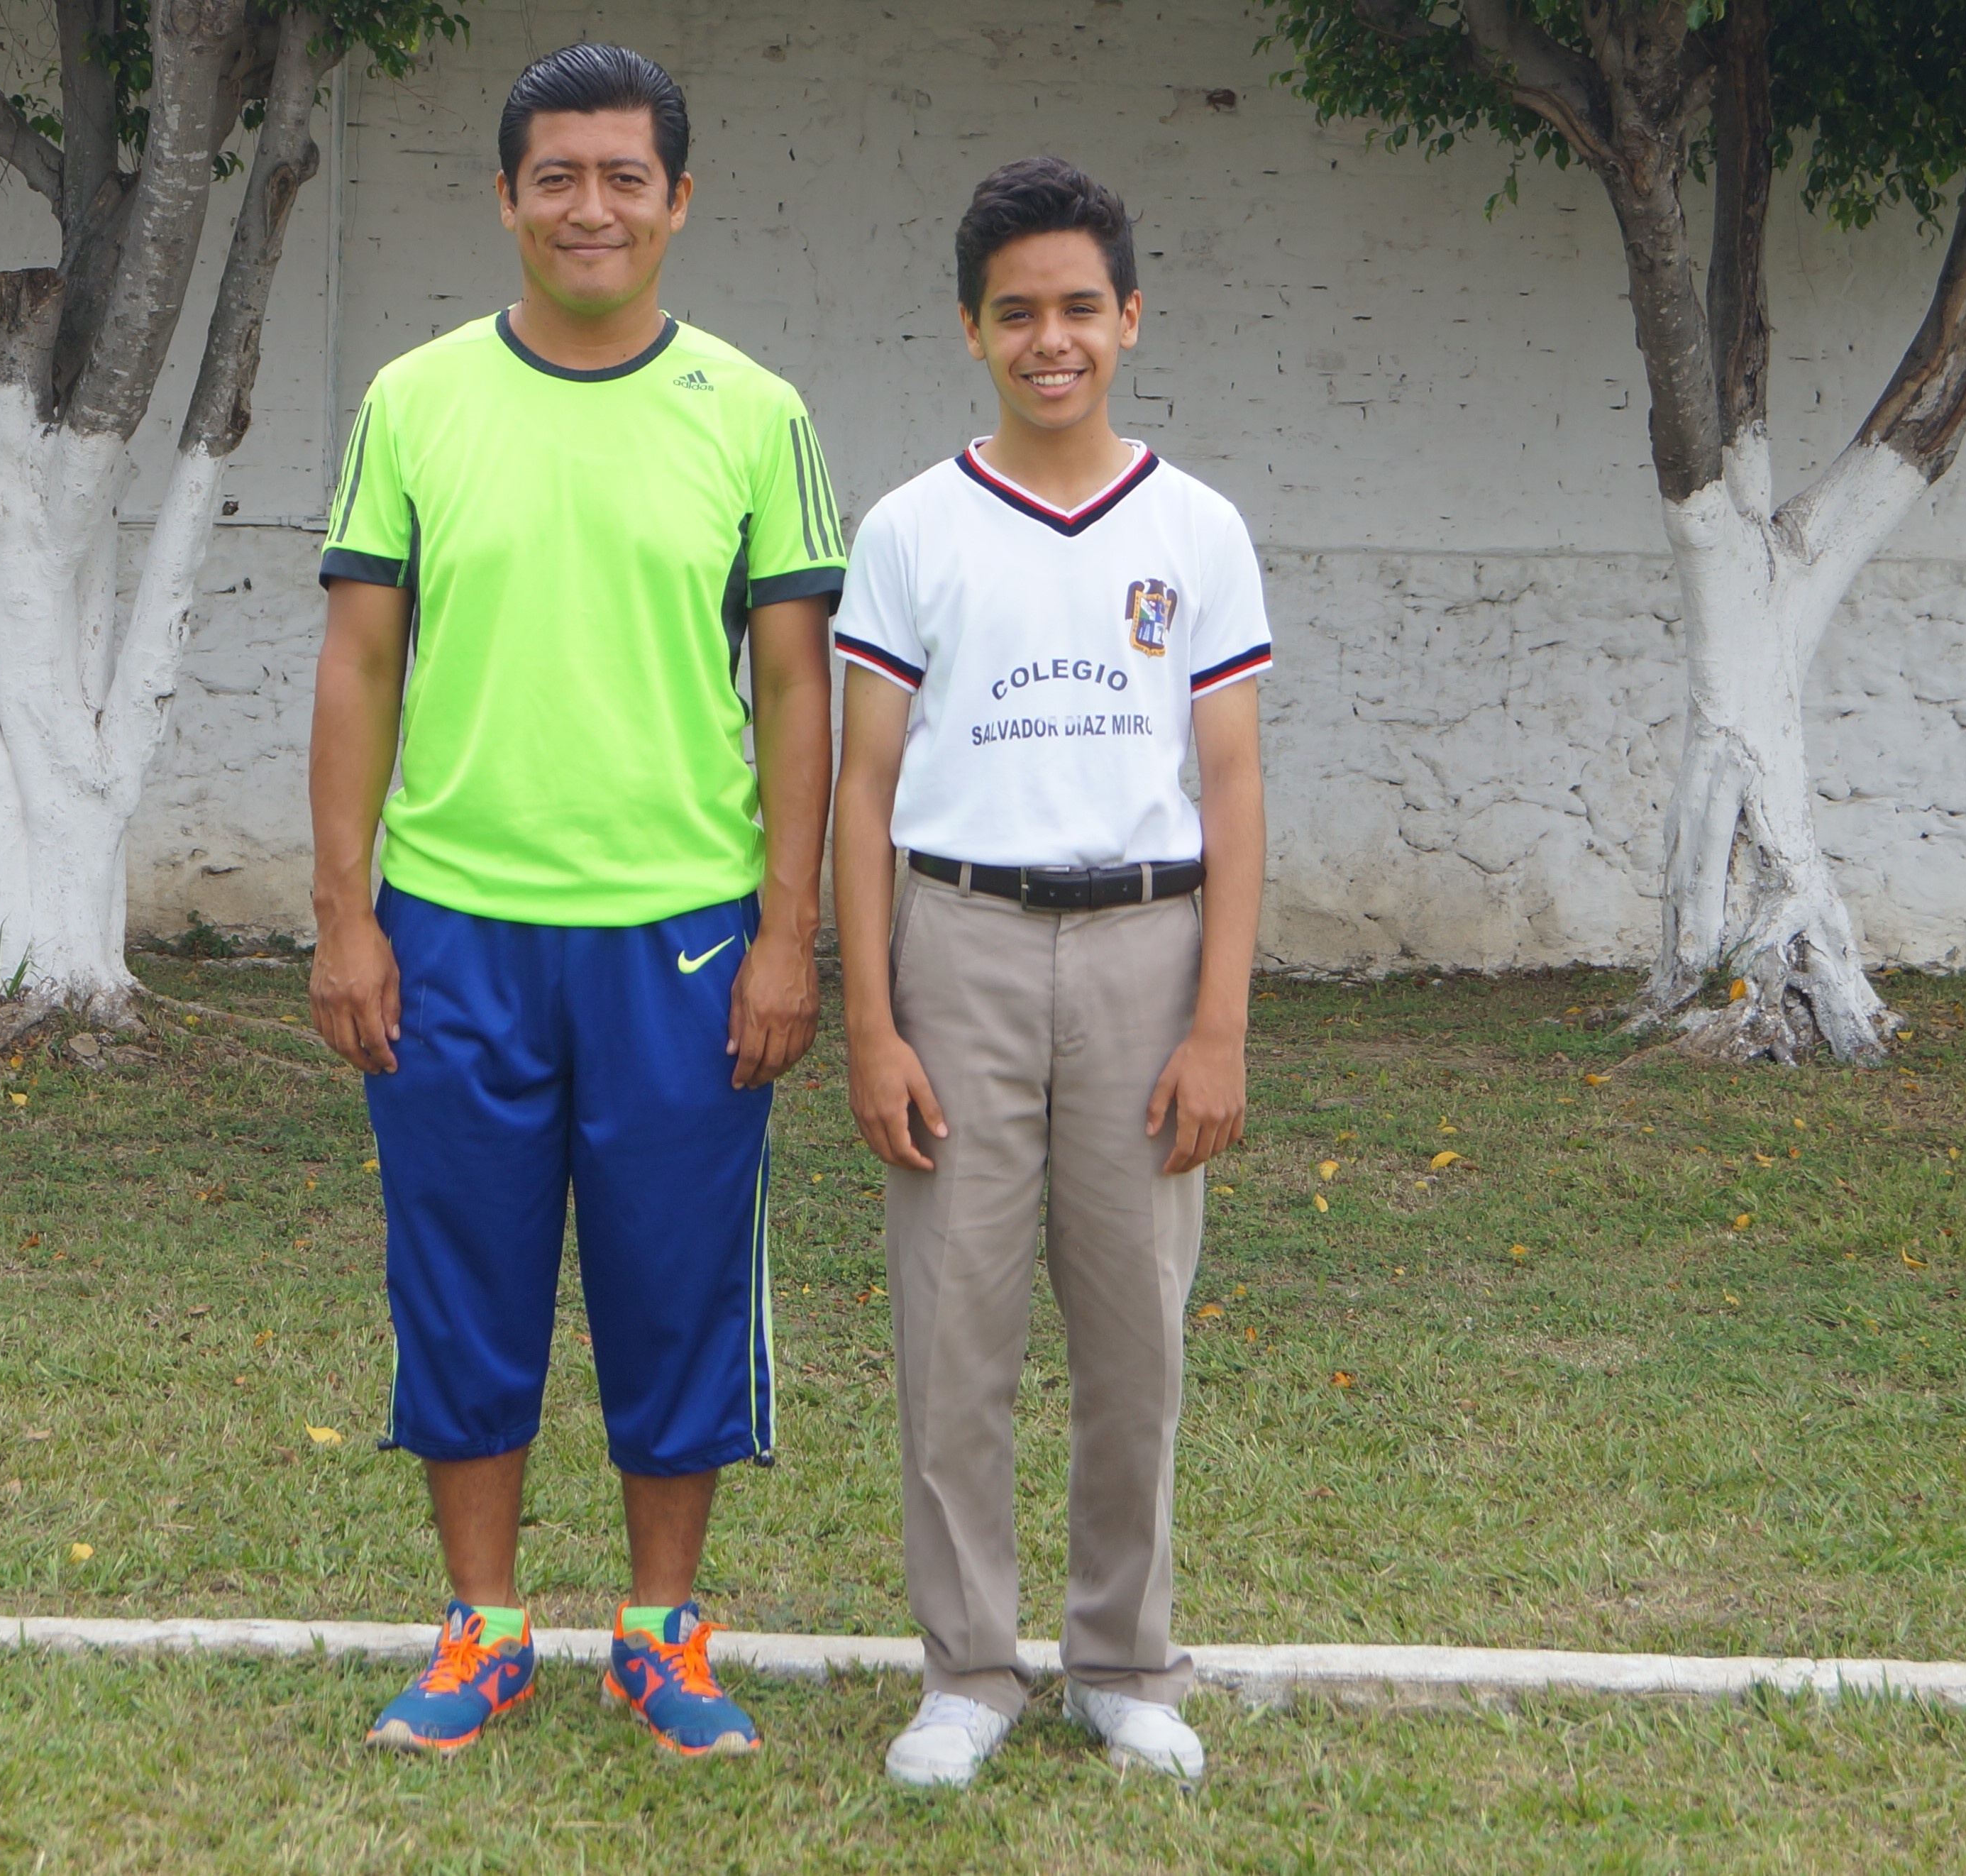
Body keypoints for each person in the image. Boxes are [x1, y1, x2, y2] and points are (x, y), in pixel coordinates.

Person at [304, 42, 844, 1760]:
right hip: (454, 921)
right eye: (557, 175)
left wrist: (783, 929)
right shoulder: (413, 399)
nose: (590, 205)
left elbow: (796, 694)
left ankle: (660, 1633)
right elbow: (358, 661)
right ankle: (479, 1629)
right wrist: (343, 912)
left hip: (681, 936)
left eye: (624, 176)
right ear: (506, 197)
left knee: (670, 1284)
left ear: (675, 200)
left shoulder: (754, 415)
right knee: (461, 1279)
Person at [829, 157, 1270, 1789]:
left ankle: (1121, 1657)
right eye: (1016, 310)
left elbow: (1229, 785)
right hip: (961, 940)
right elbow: (861, 791)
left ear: (1130, 317)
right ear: (970, 329)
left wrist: (1216, 1017)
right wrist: (871, 1018)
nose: (1050, 337)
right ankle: (964, 1667)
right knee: (954, 1320)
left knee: (1133, 1326)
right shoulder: (912, 527)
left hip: (1149, 944)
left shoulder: (1194, 527)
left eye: (1080, 305)